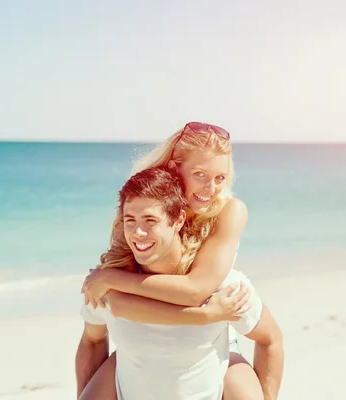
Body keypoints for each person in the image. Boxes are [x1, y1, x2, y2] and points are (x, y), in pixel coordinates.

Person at [81, 122, 284, 398]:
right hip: (144, 342)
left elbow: (196, 290)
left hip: (210, 328)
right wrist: (110, 281)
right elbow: (116, 302)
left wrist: (110, 278)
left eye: (220, 178)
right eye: (200, 174)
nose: (210, 189)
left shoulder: (228, 211)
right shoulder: (143, 209)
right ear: (175, 168)